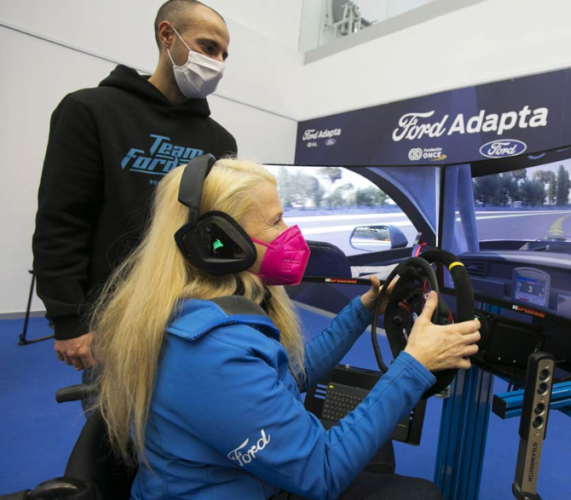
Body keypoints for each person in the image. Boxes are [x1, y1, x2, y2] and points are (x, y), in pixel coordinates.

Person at [91, 159, 481, 500]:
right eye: (276, 221)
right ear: (222, 242)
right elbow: (321, 473)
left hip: (244, 479)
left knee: (378, 452)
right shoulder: (211, 351)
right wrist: (415, 363)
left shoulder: (206, 309)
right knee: (421, 494)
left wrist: (365, 310)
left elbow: (293, 375)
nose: (290, 231)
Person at [32, 0, 236, 383]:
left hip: (192, 314)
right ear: (167, 35)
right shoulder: (90, 110)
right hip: (113, 317)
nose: (218, 62)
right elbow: (62, 220)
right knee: (113, 431)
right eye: (208, 47)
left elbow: (215, 230)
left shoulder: (219, 139)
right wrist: (68, 318)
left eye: (224, 54)